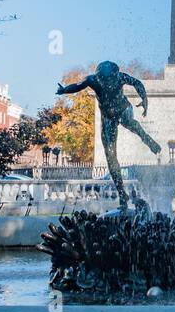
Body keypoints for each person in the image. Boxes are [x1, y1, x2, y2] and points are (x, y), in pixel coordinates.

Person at [57, 61, 161, 210]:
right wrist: (64, 90)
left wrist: (144, 99)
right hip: (107, 117)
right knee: (111, 156)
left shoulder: (120, 77)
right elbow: (77, 86)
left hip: (123, 109)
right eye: (104, 79)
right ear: (99, 77)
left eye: (110, 79)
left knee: (130, 123)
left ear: (114, 75)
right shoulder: (92, 80)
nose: (108, 82)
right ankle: (122, 194)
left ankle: (149, 141)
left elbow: (137, 83)